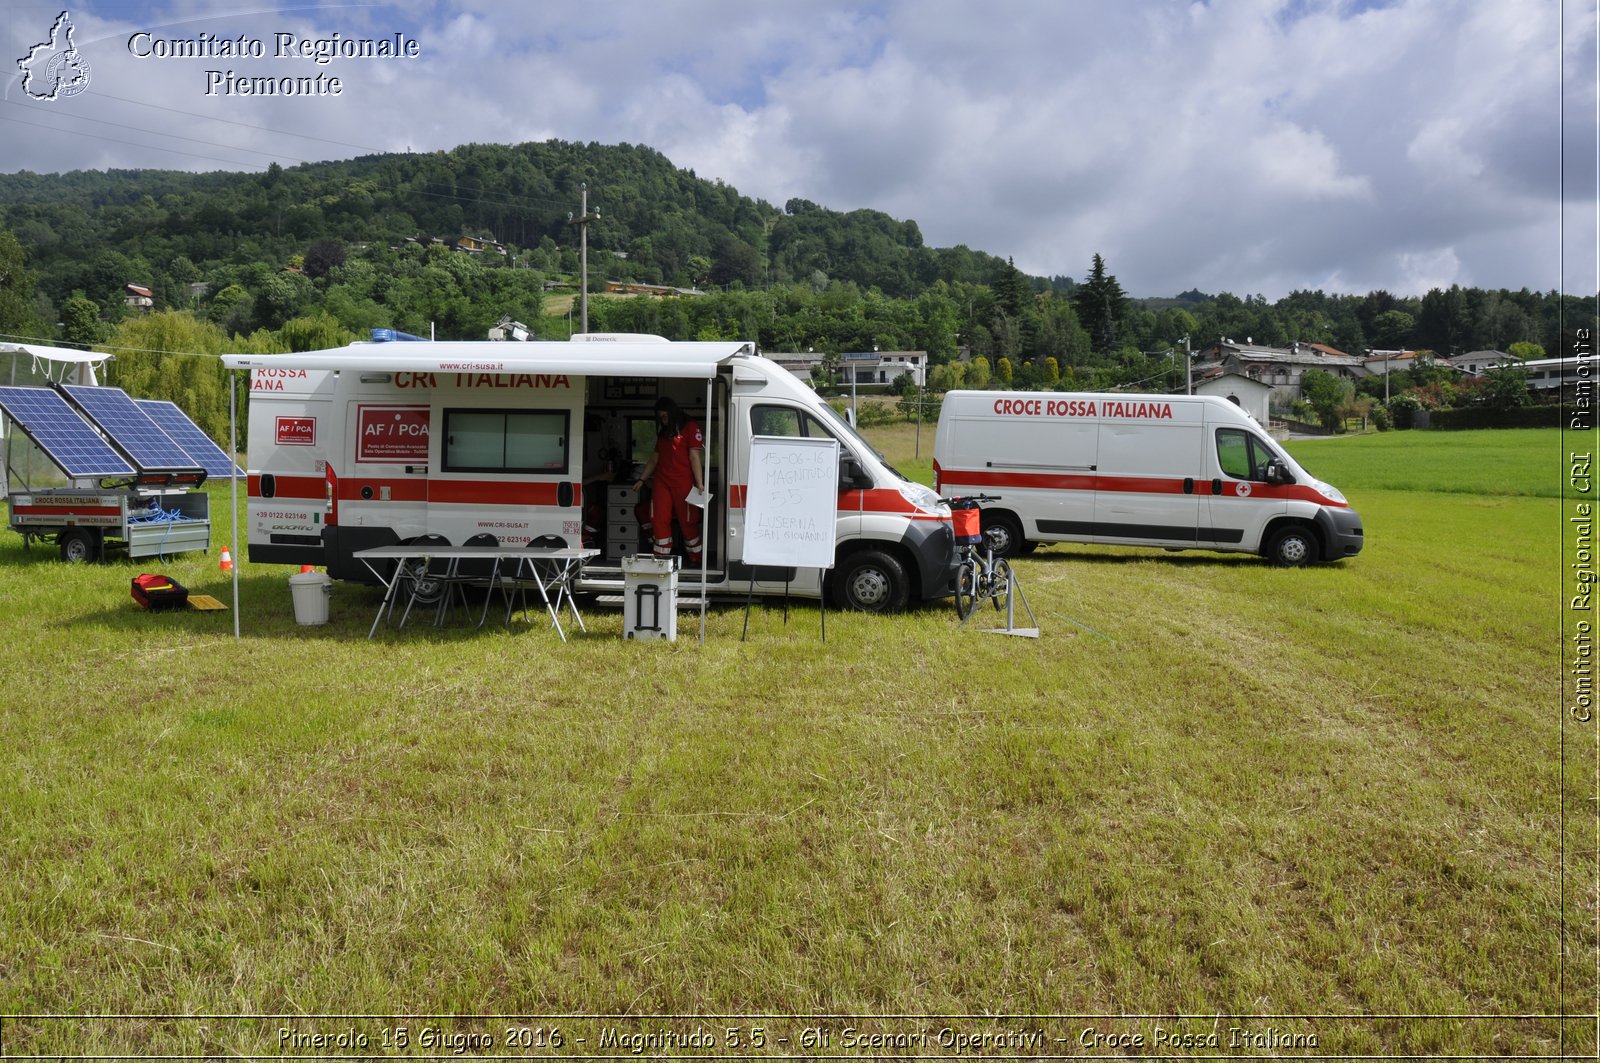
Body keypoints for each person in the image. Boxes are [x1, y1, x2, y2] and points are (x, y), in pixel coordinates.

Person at [634, 396, 706, 565]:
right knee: (659, 519)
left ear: (673, 413)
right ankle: (661, 559)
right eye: (660, 417)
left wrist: (700, 483)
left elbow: (695, 457)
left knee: (688, 520)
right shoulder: (664, 433)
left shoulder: (690, 427)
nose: (663, 420)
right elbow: (654, 458)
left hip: (684, 483)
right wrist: (642, 479)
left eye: (665, 416)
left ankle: (696, 558)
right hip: (662, 482)